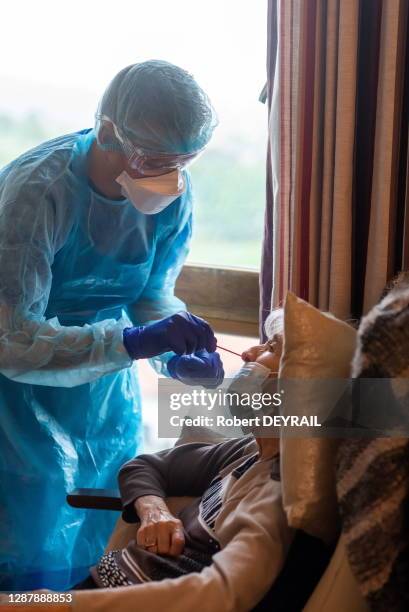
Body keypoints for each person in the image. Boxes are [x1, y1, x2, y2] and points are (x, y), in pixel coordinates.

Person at [0, 60, 224, 590]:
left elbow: (150, 294)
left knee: (97, 529)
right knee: (27, 533)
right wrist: (132, 340)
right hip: (15, 399)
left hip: (105, 398)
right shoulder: (38, 193)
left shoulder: (172, 194)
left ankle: (69, 604)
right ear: (107, 133)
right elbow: (11, 337)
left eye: (185, 161)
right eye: (159, 160)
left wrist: (175, 344)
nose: (172, 176)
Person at [68, 311, 296, 612]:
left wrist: (56, 604)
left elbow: (220, 593)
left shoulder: (280, 492)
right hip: (99, 587)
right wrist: (154, 511)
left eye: (271, 348)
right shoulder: (246, 453)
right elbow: (145, 466)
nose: (246, 353)